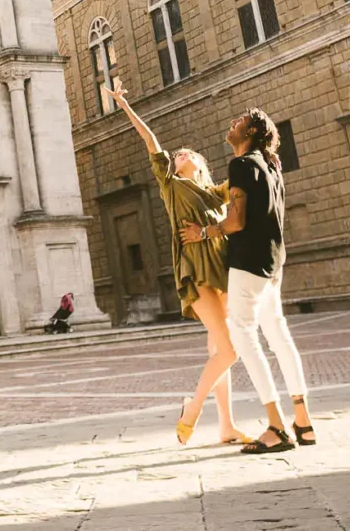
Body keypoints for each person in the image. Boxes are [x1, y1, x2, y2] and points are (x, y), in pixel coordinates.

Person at [104, 79, 250, 447]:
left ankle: (227, 426)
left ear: (200, 164)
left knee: (219, 350)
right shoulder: (170, 183)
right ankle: (192, 407)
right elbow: (150, 141)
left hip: (222, 268)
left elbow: (242, 180)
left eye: (187, 153)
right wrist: (124, 105)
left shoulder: (213, 190)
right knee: (230, 350)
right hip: (195, 270)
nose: (179, 154)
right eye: (178, 153)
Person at [182, 108, 315, 454]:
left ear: (252, 130)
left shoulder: (241, 165)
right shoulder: (272, 166)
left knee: (243, 335)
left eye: (238, 121)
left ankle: (276, 426)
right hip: (274, 262)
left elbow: (236, 221)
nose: (231, 123)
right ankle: (303, 421)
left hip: (248, 262)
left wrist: (203, 233)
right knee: (278, 335)